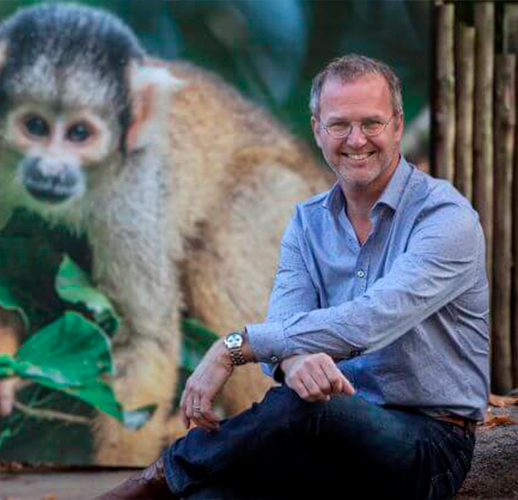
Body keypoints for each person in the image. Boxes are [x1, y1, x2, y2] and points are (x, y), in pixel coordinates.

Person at [96, 54, 489, 500]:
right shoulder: (307, 220)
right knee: (211, 495)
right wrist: (294, 361)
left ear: (397, 126)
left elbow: (374, 320)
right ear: (317, 128)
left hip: (426, 445)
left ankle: (156, 478)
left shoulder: (446, 218)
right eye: (339, 124)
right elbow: (285, 316)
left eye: (372, 123)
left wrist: (234, 347)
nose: (356, 139)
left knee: (304, 408)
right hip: (327, 432)